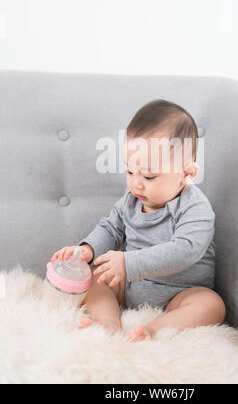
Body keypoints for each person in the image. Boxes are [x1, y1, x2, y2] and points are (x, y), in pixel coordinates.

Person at [50, 99, 226, 342]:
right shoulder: (131, 199)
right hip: (130, 287)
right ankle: (107, 322)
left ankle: (154, 330)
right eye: (130, 171)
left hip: (181, 292)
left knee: (211, 304)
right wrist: (86, 250)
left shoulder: (194, 207)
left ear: (187, 174)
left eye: (150, 176)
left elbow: (185, 250)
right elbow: (111, 228)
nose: (136, 183)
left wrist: (129, 264)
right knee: (94, 279)